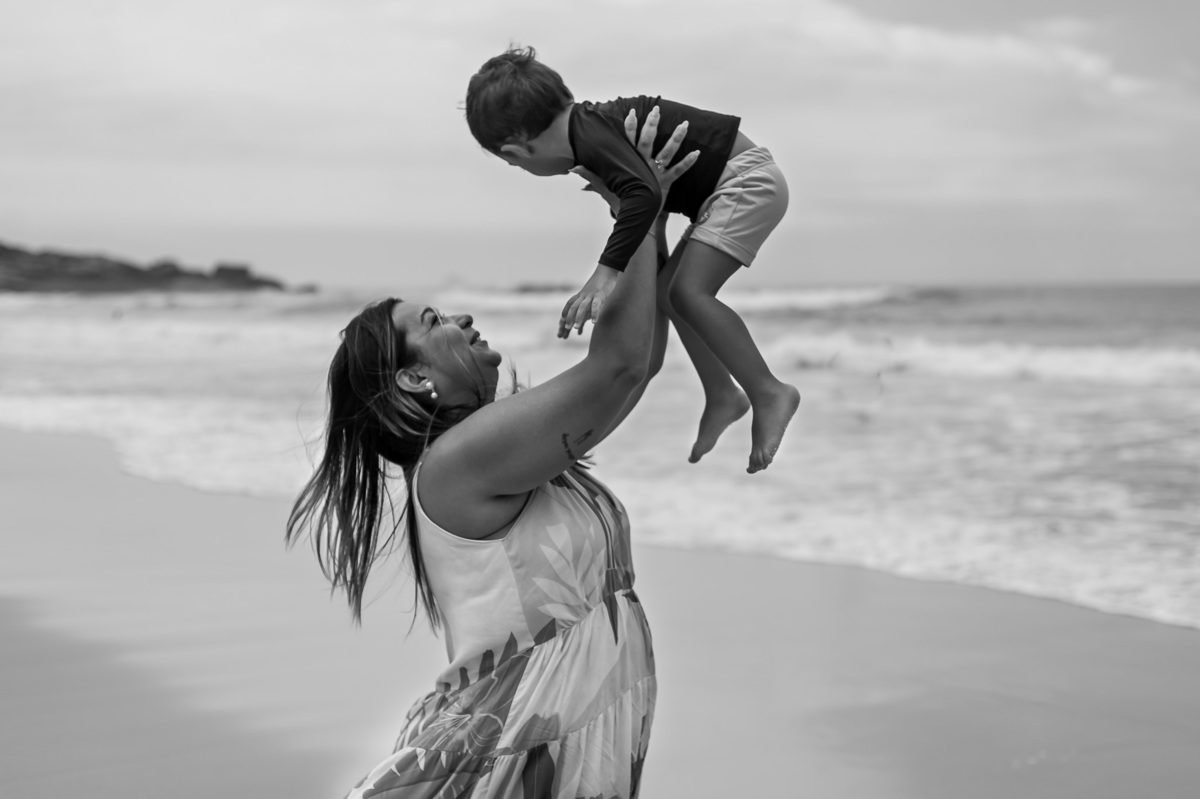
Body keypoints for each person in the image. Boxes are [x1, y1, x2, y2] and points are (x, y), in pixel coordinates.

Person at [286, 115, 696, 798]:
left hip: (557, 746)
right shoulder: (458, 462)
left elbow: (640, 363)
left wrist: (649, 213)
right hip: (507, 755)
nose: (464, 319)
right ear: (415, 378)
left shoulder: (507, 454)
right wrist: (637, 198)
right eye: (434, 323)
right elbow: (618, 367)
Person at [465, 45, 800, 474]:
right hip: (729, 187)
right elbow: (645, 202)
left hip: (745, 183)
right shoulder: (589, 131)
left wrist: (604, 275)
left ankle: (768, 391)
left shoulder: (589, 136)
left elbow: (643, 194)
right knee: (669, 294)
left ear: (515, 151)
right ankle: (721, 393)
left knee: (690, 292)